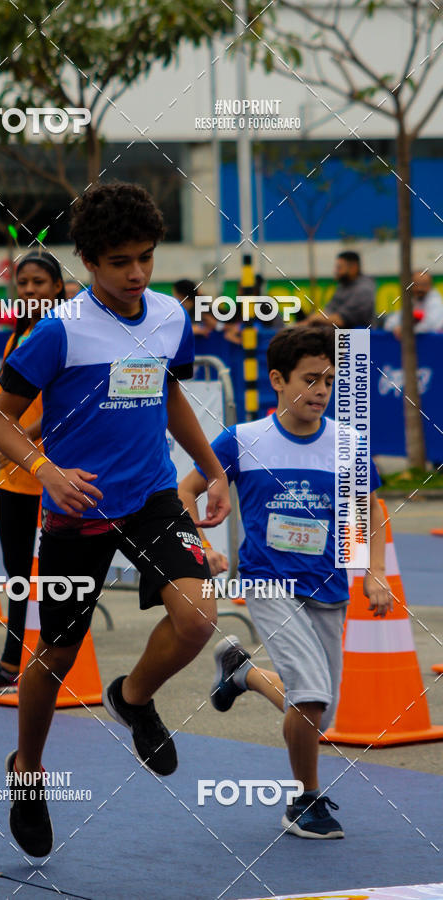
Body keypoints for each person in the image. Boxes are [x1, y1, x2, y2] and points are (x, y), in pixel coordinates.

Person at [0, 181, 231, 857]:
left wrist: (213, 470)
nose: (137, 273)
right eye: (121, 261)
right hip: (76, 510)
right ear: (90, 262)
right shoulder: (56, 333)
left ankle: (133, 696)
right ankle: (27, 772)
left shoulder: (167, 317)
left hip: (151, 496)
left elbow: (171, 397)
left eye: (146, 257)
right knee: (57, 657)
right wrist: (47, 472)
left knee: (198, 618)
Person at [178, 325, 392, 840]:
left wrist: (374, 572)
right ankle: (304, 801)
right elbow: (184, 491)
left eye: (329, 381)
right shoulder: (244, 440)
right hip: (268, 583)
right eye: (309, 379)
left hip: (330, 588)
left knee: (317, 709)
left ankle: (241, 672)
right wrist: (201, 550)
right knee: (311, 697)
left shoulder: (348, 443)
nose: (321, 391)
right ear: (277, 379)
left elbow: (370, 509)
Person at [0, 252, 65, 693]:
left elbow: (66, 405)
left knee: (62, 573)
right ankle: (10, 663)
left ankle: (55, 663)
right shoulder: (18, 338)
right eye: (23, 284)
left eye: (40, 283)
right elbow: (4, 396)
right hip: (16, 480)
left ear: (58, 286)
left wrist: (19, 442)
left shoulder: (66, 334)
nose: (30, 291)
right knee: (18, 572)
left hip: (56, 474)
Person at [307, 251, 375, 328]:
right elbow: (329, 311)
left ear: (353, 268)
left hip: (357, 337)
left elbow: (342, 320)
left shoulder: (364, 290)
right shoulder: (343, 286)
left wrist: (316, 318)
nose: (336, 271)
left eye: (339, 268)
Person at [383, 271, 443, 337]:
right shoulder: (413, 300)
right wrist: (396, 327)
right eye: (416, 284)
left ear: (430, 285)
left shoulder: (435, 300)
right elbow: (390, 323)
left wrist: (406, 330)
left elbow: (431, 325)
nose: (419, 288)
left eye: (424, 285)